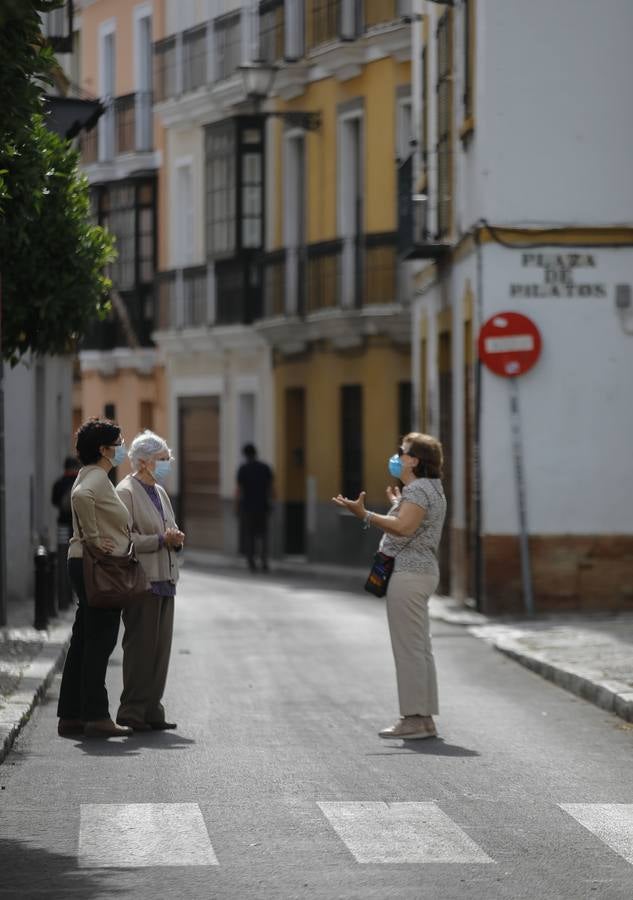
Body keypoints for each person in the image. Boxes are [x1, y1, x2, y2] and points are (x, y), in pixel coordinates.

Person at [332, 432, 447, 740]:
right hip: (422, 572)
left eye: (403, 452)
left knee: (408, 649)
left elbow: (405, 527)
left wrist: (364, 514)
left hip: (408, 573)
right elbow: (412, 520)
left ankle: (412, 718)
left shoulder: (419, 489)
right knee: (420, 648)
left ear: (414, 460)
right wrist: (398, 504)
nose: (397, 456)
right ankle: (424, 718)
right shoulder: (428, 488)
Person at [57, 418, 134, 738]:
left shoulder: (89, 474)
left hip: (82, 563)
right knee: (100, 641)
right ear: (103, 450)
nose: (121, 448)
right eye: (118, 443)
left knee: (83, 639)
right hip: (97, 566)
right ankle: (96, 715)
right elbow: (81, 499)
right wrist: (91, 536)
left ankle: (71, 714)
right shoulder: (97, 479)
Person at [115, 430, 185, 732]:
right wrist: (159, 540)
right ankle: (132, 710)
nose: (167, 464)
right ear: (143, 462)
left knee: (160, 650)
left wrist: (176, 539)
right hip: (143, 580)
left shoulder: (160, 491)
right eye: (162, 459)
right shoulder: (126, 491)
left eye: (167, 459)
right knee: (140, 648)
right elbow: (124, 538)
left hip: (166, 578)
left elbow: (170, 527)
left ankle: (152, 709)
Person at [236, 443, 274, 573]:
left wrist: (237, 506)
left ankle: (251, 562)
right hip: (263, 506)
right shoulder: (265, 468)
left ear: (245, 455)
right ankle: (264, 561)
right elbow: (271, 488)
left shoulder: (243, 469)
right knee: (263, 535)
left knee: (250, 535)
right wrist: (271, 502)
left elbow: (239, 490)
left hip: (248, 507)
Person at [51, 456, 80, 607]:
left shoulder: (59, 483)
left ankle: (63, 598)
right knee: (78, 560)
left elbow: (54, 502)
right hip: (78, 528)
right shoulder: (80, 483)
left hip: (62, 526)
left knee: (63, 560)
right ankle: (76, 594)